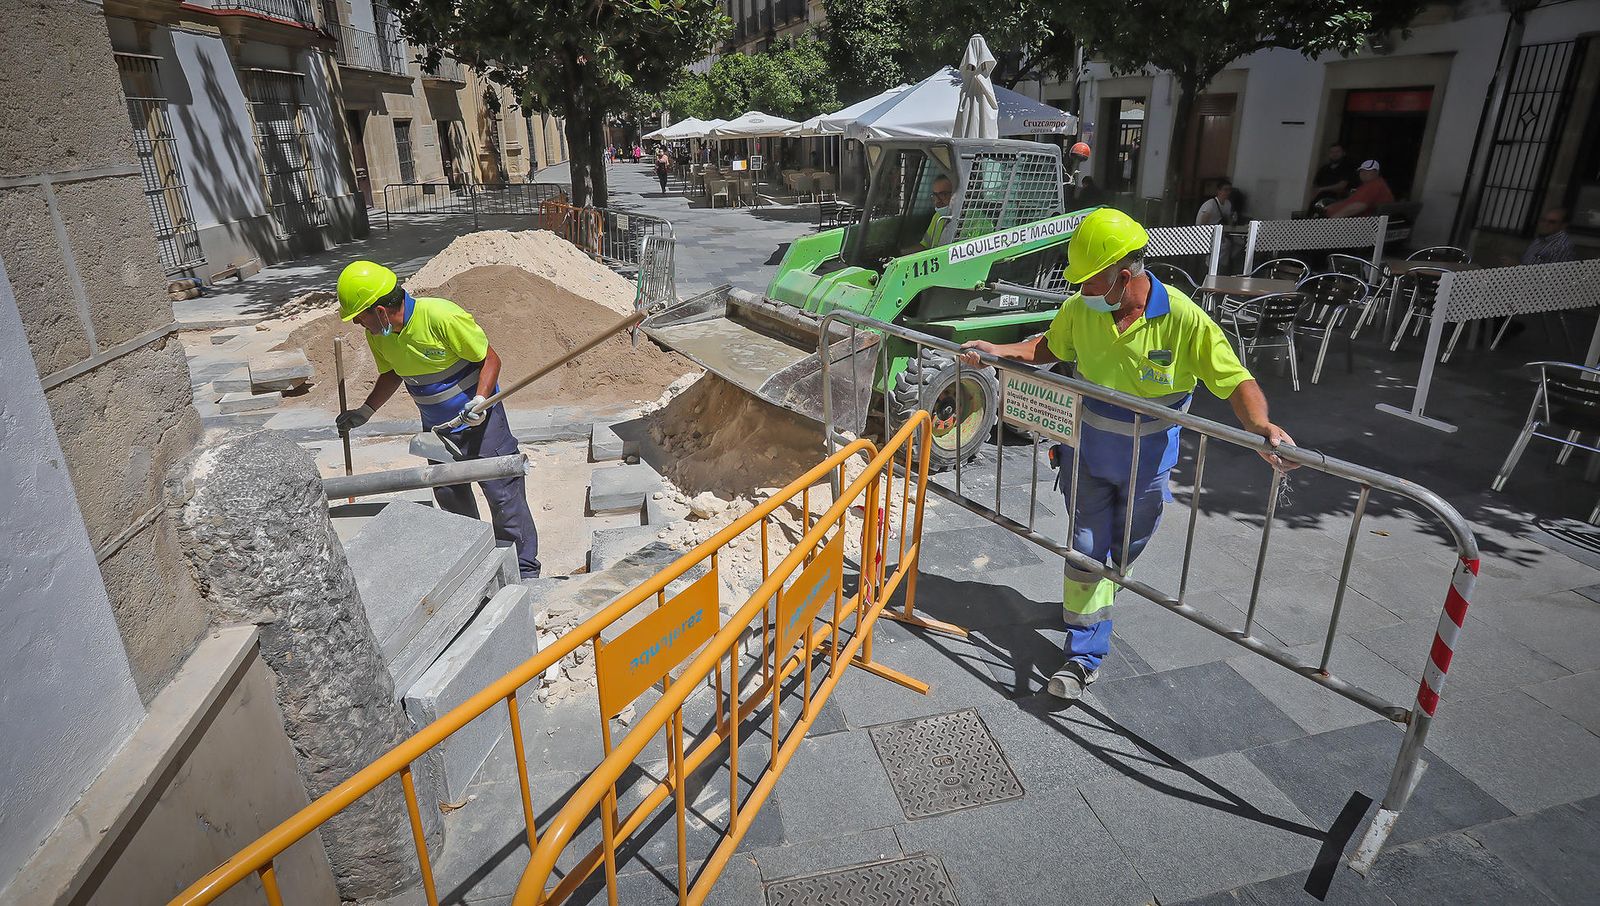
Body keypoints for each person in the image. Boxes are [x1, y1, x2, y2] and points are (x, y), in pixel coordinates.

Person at [959, 208, 1294, 700]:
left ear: (1123, 274)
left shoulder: (1181, 317)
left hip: (1147, 464)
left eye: (1090, 281)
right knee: (1086, 549)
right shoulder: (1081, 308)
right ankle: (1084, 655)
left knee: (1122, 553)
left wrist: (1260, 426)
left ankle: (1104, 587)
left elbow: (1234, 379)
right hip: (1087, 455)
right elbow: (1050, 348)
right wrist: (1000, 350)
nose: (1081, 290)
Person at [334, 261, 541, 579]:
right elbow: (391, 374)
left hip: (482, 424)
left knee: (503, 493)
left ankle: (524, 571)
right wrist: (366, 411)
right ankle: (476, 567)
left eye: (360, 316)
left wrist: (480, 400)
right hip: (437, 430)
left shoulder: (441, 316)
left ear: (380, 311)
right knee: (451, 498)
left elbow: (490, 359)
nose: (358, 323)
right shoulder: (380, 336)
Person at [1325, 160, 1393, 218]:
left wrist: (1332, 219)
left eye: (1368, 170)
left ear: (1376, 172)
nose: (1364, 173)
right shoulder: (1368, 185)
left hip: (1358, 224)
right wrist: (1333, 206)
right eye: (1361, 171)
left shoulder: (1375, 185)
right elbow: (1352, 201)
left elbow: (1357, 207)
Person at [920, 173, 955, 248]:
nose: (938, 200)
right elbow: (924, 246)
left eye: (943, 195)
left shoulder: (971, 218)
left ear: (955, 194)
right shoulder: (937, 216)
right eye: (935, 195)